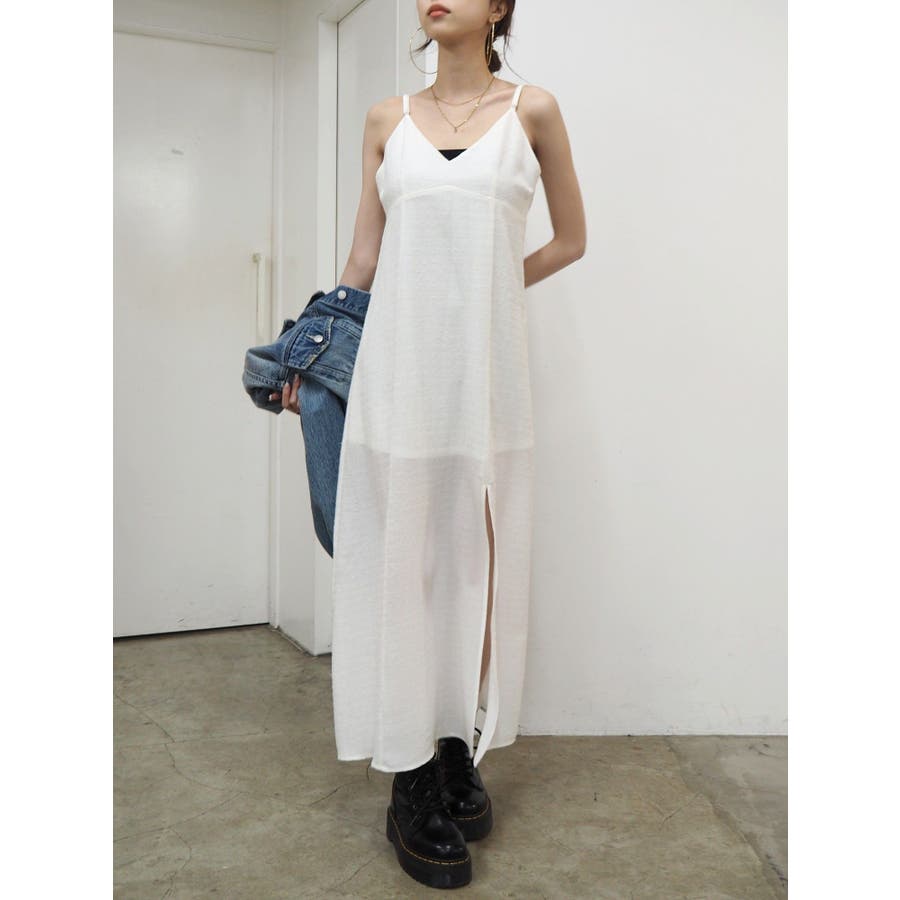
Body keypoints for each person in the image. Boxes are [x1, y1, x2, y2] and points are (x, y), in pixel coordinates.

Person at [271, 0, 585, 889]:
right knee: (400, 563)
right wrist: (308, 352)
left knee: (476, 562)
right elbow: (364, 261)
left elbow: (571, 240)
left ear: (499, 8)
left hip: (488, 382)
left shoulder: (533, 111)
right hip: (396, 379)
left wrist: (487, 286)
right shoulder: (387, 120)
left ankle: (454, 742)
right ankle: (409, 773)